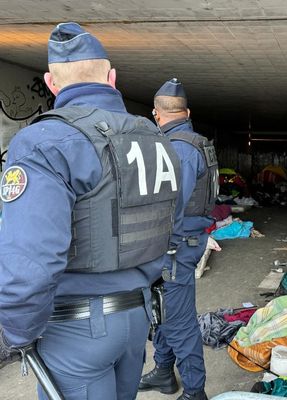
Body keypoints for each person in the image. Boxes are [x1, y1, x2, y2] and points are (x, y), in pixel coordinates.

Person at [0, 22, 181, 399]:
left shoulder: (44, 141)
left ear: (51, 83)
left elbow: (32, 257)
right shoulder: (154, 138)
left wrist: (16, 331)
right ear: (112, 78)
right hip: (137, 315)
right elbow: (168, 223)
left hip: (76, 329)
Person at [138, 78, 218, 400]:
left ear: (156, 114)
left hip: (175, 245)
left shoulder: (179, 149)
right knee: (162, 310)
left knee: (180, 319)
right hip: (181, 242)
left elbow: (173, 205)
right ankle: (163, 371)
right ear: (187, 111)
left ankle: (195, 390)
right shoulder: (195, 142)